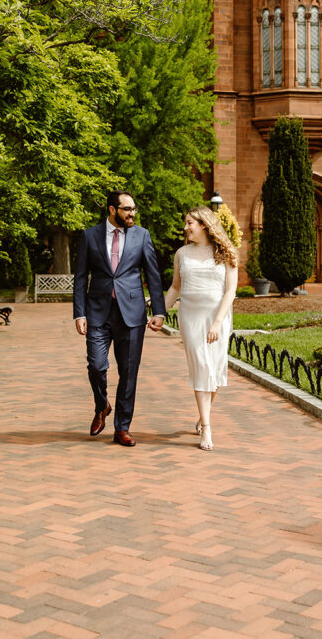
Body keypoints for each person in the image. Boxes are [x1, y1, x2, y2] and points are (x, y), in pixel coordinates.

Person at [73, 190, 165, 446]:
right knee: (96, 365)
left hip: (132, 314)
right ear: (113, 210)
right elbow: (81, 277)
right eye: (127, 209)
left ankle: (122, 428)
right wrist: (79, 313)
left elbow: (153, 275)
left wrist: (158, 311)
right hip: (98, 312)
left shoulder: (142, 235)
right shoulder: (90, 235)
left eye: (134, 209)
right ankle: (102, 405)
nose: (132, 213)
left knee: (128, 372)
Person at [162, 205, 238, 450]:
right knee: (201, 367)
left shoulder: (226, 253)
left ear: (204, 225)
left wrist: (217, 322)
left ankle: (202, 415)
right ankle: (207, 427)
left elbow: (230, 291)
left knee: (214, 371)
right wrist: (160, 314)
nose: (185, 228)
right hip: (191, 318)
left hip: (218, 318)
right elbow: (175, 288)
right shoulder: (182, 254)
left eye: (189, 223)